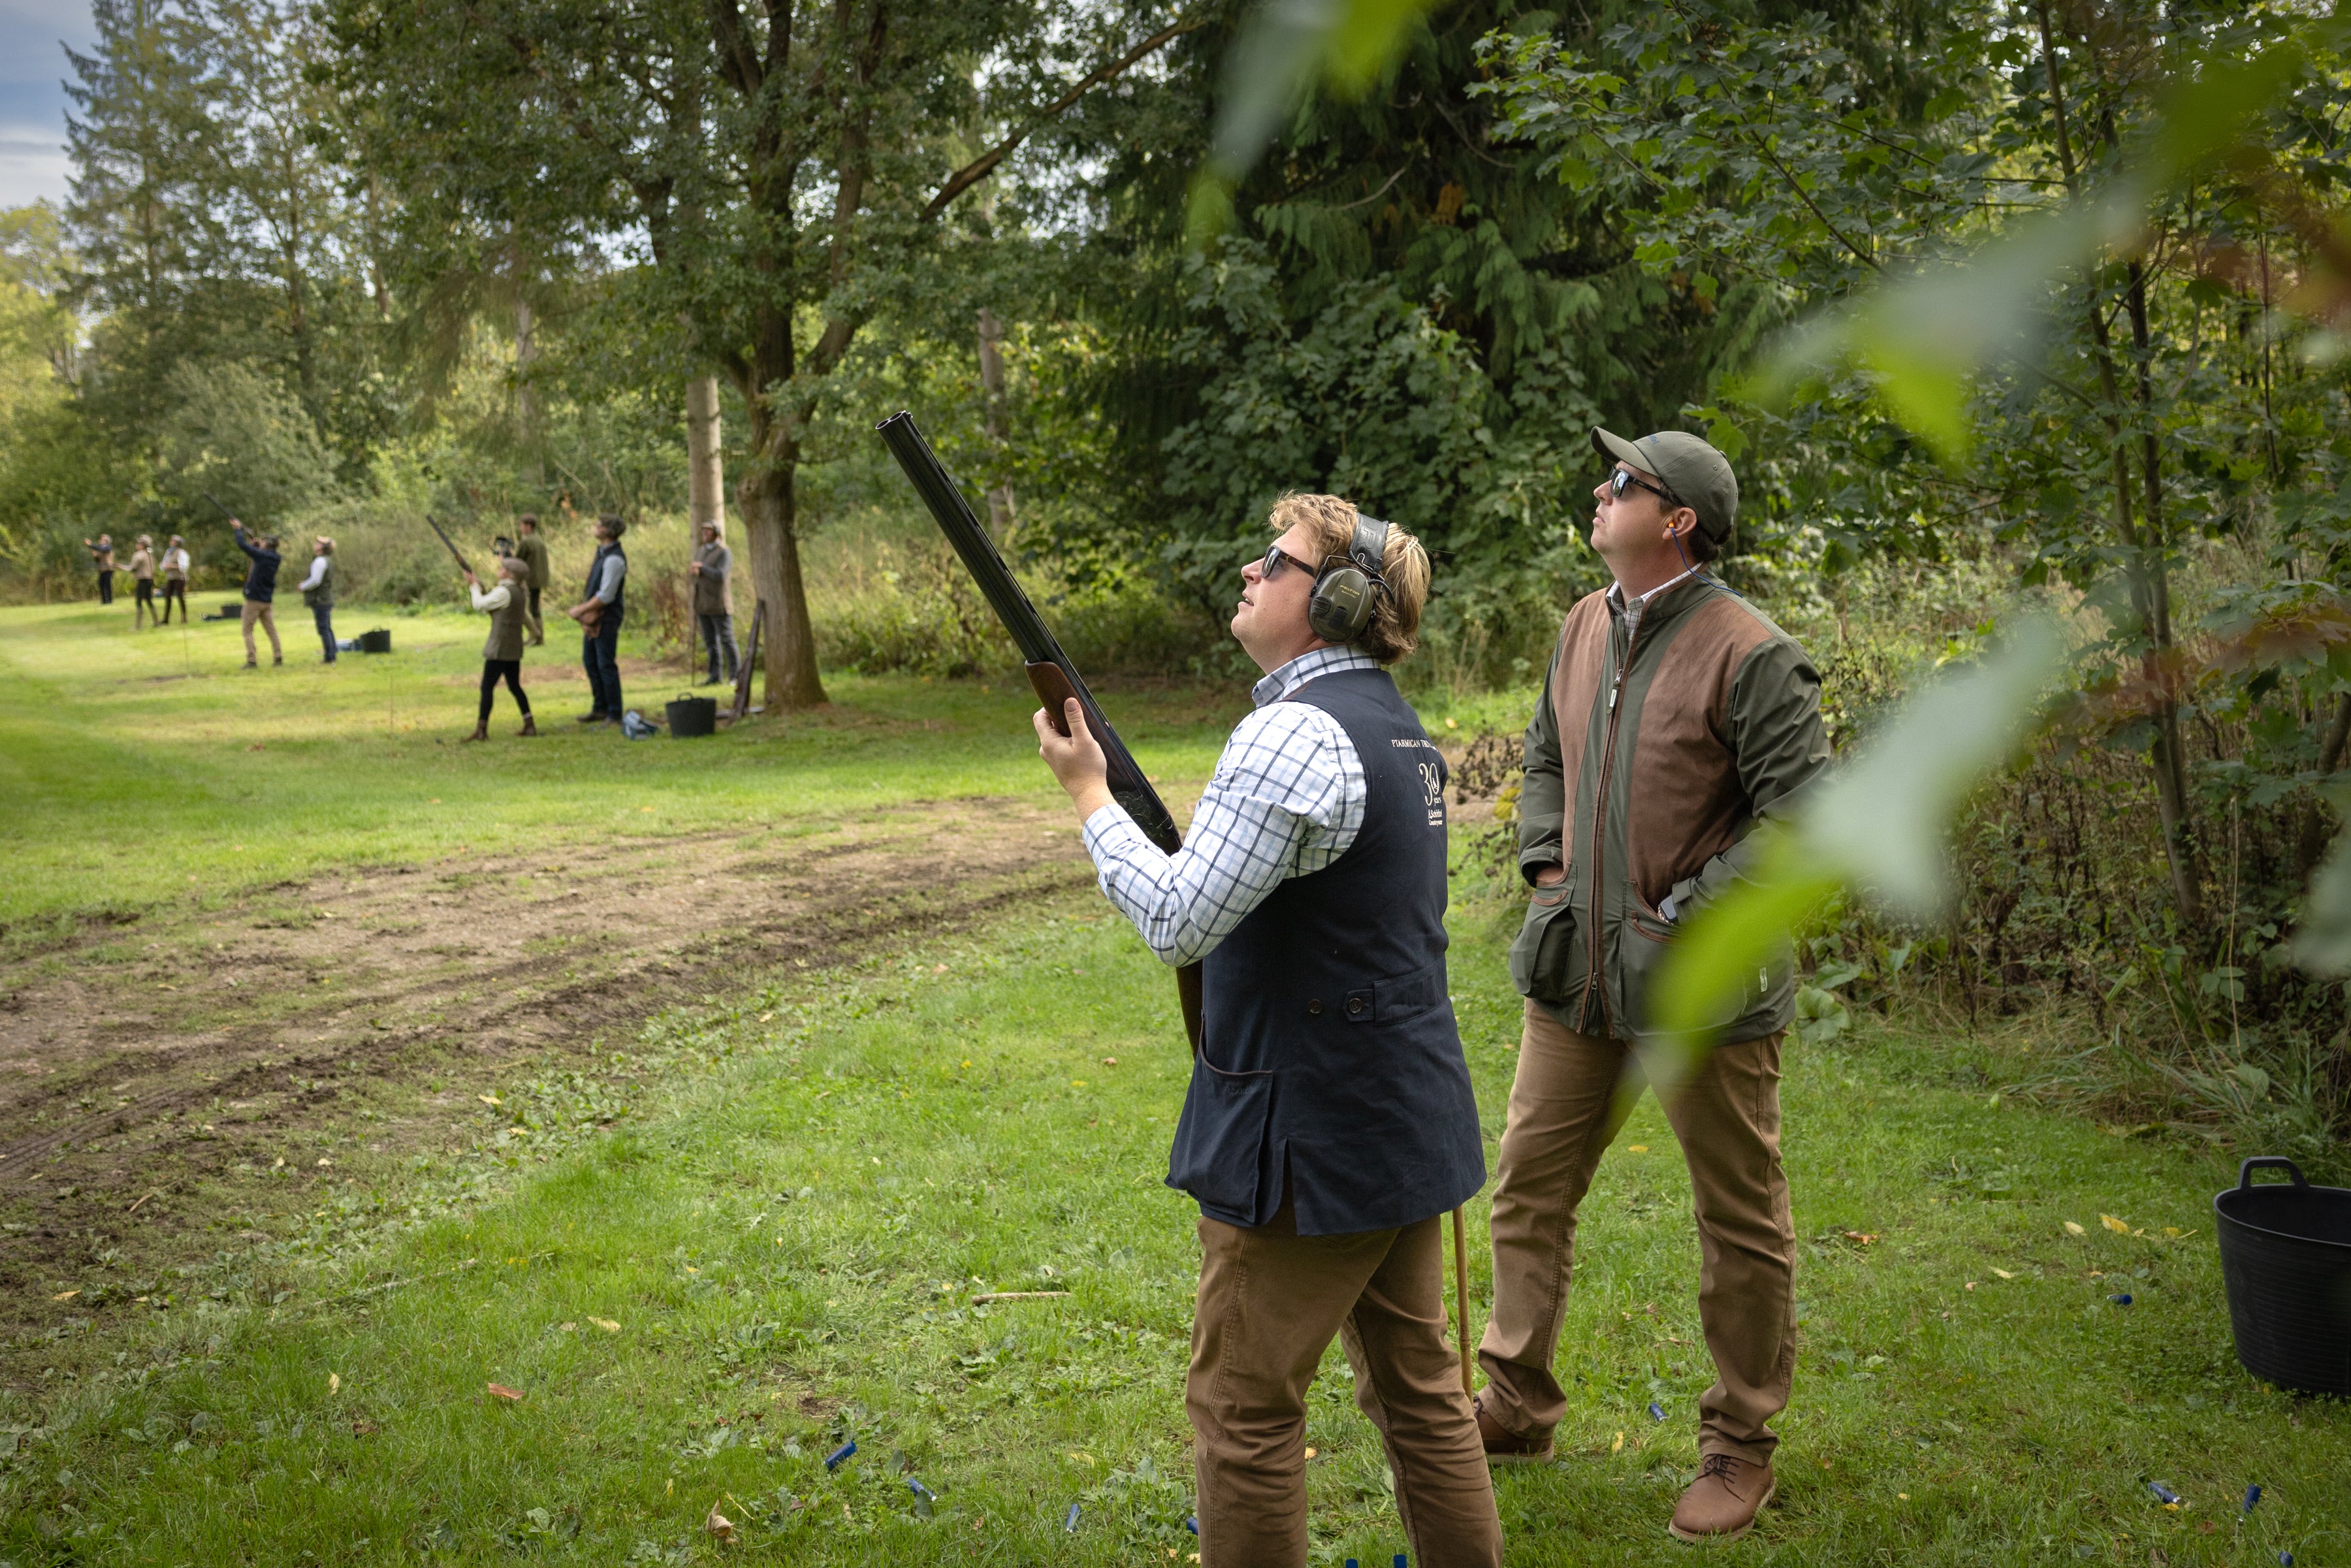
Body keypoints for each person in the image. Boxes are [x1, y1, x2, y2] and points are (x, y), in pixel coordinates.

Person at [1032, 493, 1501, 1568]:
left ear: (1334, 601)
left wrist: (1090, 796)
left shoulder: (1290, 734)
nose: (1250, 572)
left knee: (1243, 1409)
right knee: (1423, 1396)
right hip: (1397, 1110)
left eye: (1276, 562)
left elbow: (1176, 916)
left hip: (1313, 1131)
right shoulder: (1393, 725)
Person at [1473, 429, 1831, 1544]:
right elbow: (1544, 755)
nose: (1600, 488)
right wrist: (1546, 866)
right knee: (1528, 1184)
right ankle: (1516, 1400)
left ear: (1676, 519)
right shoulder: (1585, 623)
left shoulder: (1754, 652)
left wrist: (1692, 911)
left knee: (1738, 1219)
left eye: (1621, 481)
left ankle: (1738, 1442)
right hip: (1574, 975)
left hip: (1704, 997)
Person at [462, 554, 536, 740]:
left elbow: (479, 605)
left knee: (487, 687)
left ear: (510, 575)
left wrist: (473, 587)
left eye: (503, 569)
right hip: (512, 647)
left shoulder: (504, 592)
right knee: (514, 686)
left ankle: (482, 729)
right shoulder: (518, 591)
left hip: (500, 648)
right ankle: (529, 724)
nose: (499, 570)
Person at [566, 514, 627, 724]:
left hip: (607, 618)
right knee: (591, 662)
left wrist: (580, 609)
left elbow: (606, 596)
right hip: (596, 618)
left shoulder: (614, 558)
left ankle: (614, 712)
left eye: (599, 525)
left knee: (605, 665)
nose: (596, 527)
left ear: (608, 531)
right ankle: (600, 708)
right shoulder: (603, 553)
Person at [690, 517, 737, 686]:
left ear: (716, 533)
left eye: (708, 530)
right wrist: (695, 571)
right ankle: (715, 675)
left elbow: (720, 575)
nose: (705, 533)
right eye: (703, 530)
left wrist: (702, 568)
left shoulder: (724, 552)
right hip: (703, 603)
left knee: (726, 639)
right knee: (710, 642)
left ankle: (734, 676)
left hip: (719, 603)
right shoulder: (701, 550)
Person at [231, 520, 284, 667]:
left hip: (254, 599)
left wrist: (237, 530)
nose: (261, 541)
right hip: (267, 599)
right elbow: (258, 555)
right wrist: (255, 546)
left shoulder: (262, 556)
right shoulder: (275, 557)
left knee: (247, 630)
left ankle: (251, 660)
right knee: (271, 630)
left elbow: (242, 546)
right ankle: (278, 657)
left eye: (263, 541)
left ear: (267, 544)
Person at [294, 536, 337, 664]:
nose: (316, 544)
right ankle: (332, 655)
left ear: (324, 548)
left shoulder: (320, 561)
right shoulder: (325, 560)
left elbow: (315, 581)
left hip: (320, 600)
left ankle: (329, 657)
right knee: (327, 628)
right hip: (324, 599)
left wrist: (302, 586)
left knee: (323, 628)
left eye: (319, 543)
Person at [513, 514, 549, 644]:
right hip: (539, 580)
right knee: (535, 609)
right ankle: (539, 639)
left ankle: (535, 633)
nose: (520, 528)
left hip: (529, 580)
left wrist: (505, 559)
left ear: (528, 526)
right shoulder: (539, 539)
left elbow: (517, 561)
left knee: (523, 608)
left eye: (522, 525)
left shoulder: (526, 541)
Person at [127, 535, 158, 628]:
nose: (136, 545)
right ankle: (156, 623)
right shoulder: (149, 554)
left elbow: (133, 568)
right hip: (150, 579)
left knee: (139, 602)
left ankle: (138, 626)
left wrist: (120, 566)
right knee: (149, 601)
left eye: (138, 543)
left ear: (142, 545)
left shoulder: (139, 555)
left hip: (142, 580)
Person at [159, 536, 189, 624]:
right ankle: (166, 619)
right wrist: (164, 567)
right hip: (171, 578)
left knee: (180, 597)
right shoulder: (168, 552)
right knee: (167, 597)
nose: (171, 542)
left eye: (173, 541)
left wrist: (171, 566)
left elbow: (183, 567)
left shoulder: (181, 553)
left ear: (177, 543)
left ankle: (184, 617)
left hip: (180, 578)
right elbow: (163, 564)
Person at [84, 534, 116, 604]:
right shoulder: (100, 549)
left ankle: (109, 601)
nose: (100, 540)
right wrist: (95, 556)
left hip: (108, 569)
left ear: (106, 541)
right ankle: (104, 601)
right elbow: (98, 560)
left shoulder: (108, 547)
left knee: (107, 586)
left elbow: (103, 549)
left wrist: (91, 544)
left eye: (102, 539)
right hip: (102, 570)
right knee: (101, 585)